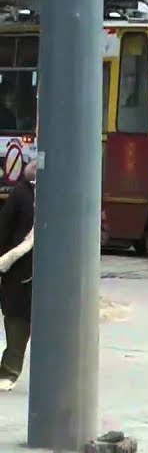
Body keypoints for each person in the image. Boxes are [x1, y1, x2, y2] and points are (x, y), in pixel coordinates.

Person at [0, 159, 35, 391]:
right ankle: (9, 371)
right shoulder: (22, 196)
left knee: (18, 323)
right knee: (17, 322)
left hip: (22, 273)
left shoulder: (21, 195)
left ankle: (9, 372)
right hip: (20, 272)